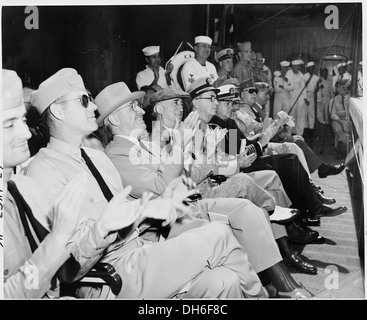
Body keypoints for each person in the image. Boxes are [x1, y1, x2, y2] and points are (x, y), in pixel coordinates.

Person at [25, 67, 274, 299]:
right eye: (83, 100)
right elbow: (69, 266)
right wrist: (107, 226)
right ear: (57, 111)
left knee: (225, 280)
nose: (93, 107)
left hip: (139, 248)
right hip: (108, 274)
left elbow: (131, 216)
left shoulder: (96, 158)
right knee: (219, 235)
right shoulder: (42, 171)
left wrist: (148, 211)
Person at [96, 80, 319, 292]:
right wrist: (229, 158)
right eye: (217, 100)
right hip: (187, 202)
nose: (225, 106)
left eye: (228, 101)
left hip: (201, 190)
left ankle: (281, 260)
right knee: (259, 178)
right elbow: (189, 174)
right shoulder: (160, 136)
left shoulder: (224, 124)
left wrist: (263, 136)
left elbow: (235, 152)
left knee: (266, 180)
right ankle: (279, 262)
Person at [2, 69, 91, 298]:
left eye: (22, 120)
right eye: (9, 125)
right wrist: (58, 238)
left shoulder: (20, 187)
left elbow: (53, 274)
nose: (26, 133)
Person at [329, 80, 352, 156]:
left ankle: (345, 148)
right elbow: (332, 114)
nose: (341, 88)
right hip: (337, 120)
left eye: (342, 86)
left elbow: (349, 112)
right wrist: (341, 121)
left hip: (347, 120)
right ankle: (343, 150)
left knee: (350, 130)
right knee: (339, 130)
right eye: (339, 87)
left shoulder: (350, 99)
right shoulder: (333, 100)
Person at [285, 60, 308, 136]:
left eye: (298, 66)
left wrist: (305, 98)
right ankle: (289, 133)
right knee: (291, 115)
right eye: (295, 66)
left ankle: (299, 134)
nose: (297, 68)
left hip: (300, 97)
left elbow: (303, 87)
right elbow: (286, 85)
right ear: (292, 67)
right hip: (291, 96)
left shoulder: (301, 75)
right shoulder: (288, 74)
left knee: (301, 115)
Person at [302, 61, 319, 146]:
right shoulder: (304, 77)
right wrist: (305, 98)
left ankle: (311, 130)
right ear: (308, 68)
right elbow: (303, 88)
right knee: (305, 113)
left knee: (311, 114)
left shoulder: (316, 77)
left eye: (313, 68)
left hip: (312, 95)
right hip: (305, 95)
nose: (312, 69)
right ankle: (305, 131)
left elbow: (316, 88)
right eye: (310, 68)